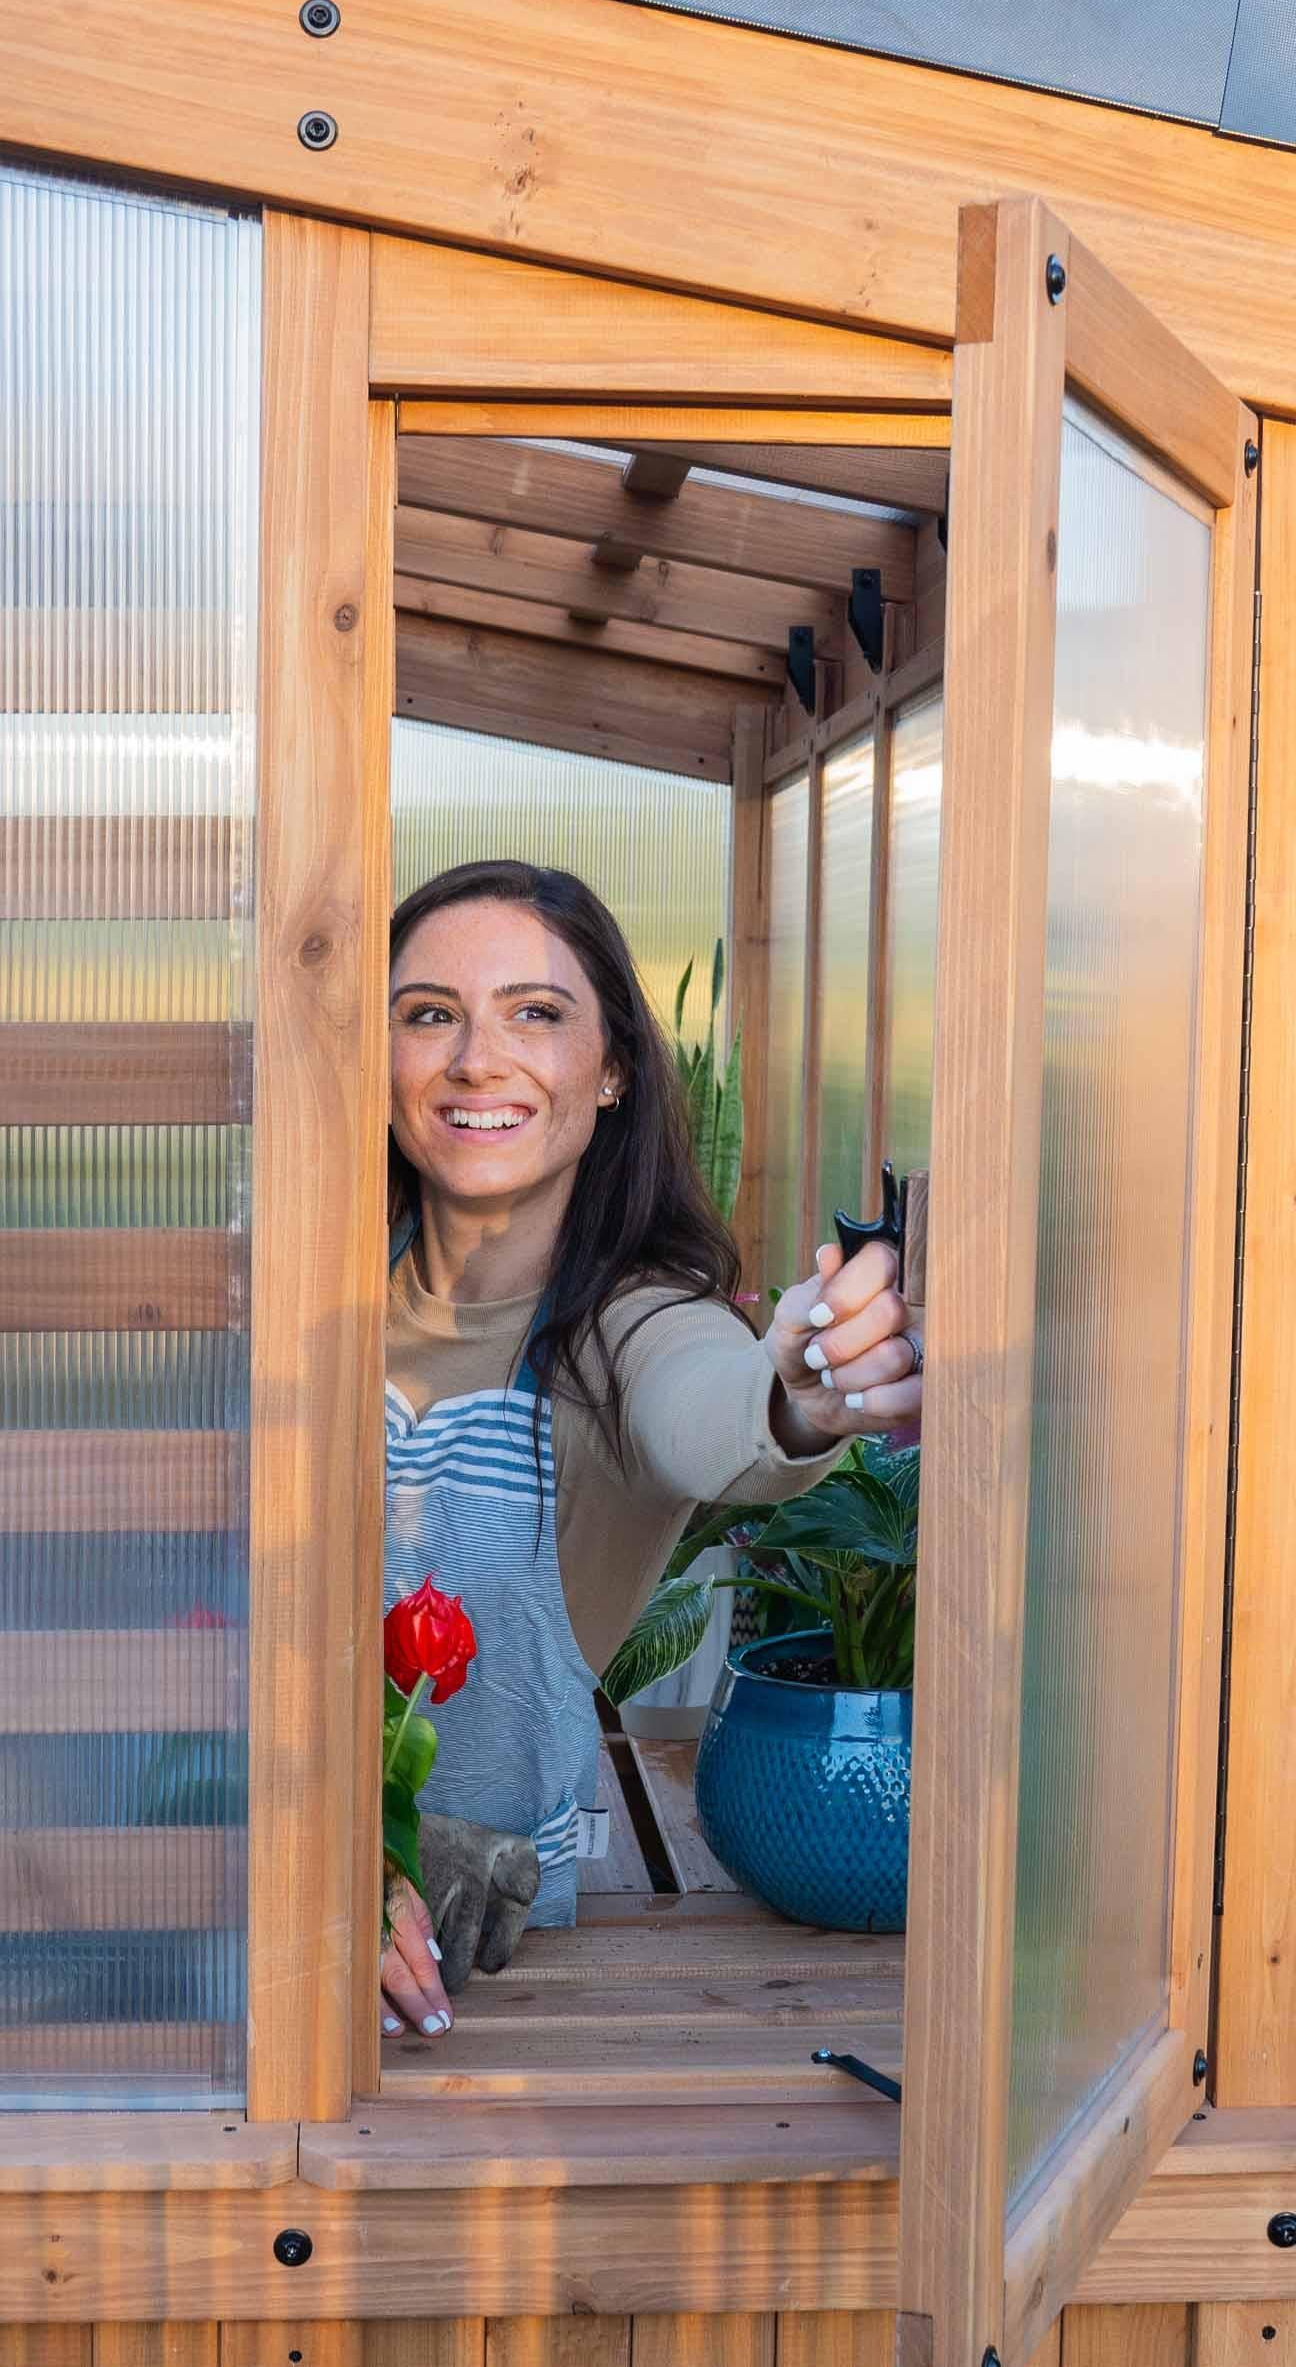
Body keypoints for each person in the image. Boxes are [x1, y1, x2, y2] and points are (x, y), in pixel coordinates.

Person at [378, 860, 923, 2040]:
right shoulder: (302, 1298)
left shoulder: (634, 1323)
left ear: (612, 1066)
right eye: (429, 1014)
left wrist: (799, 1387)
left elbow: (721, 1415)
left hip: (481, 1982)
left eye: (535, 1012)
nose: (476, 1057)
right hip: (241, 1903)